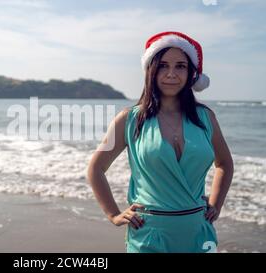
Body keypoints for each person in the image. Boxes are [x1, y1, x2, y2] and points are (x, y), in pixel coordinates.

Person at [87, 31, 234, 253]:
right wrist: (114, 214)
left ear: (191, 73)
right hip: (148, 234)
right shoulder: (130, 119)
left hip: (198, 234)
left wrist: (216, 204)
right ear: (151, 70)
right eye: (163, 65)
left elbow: (224, 163)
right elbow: (96, 168)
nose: (171, 74)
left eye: (180, 66)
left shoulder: (205, 117)